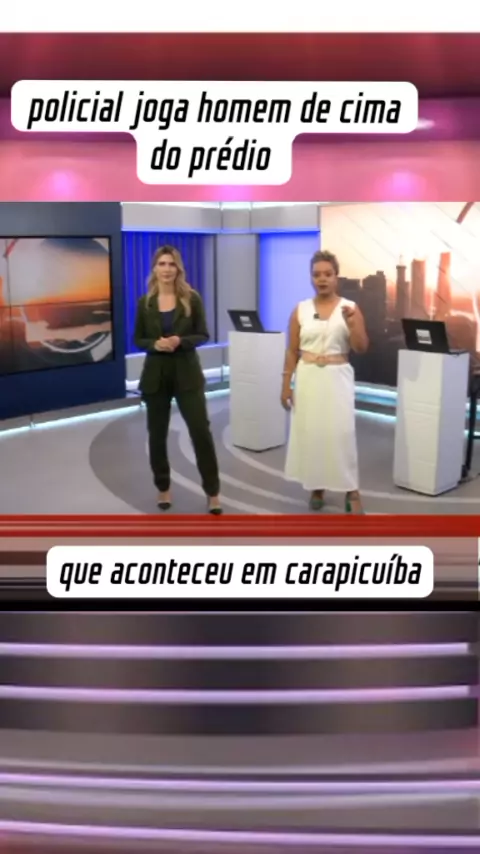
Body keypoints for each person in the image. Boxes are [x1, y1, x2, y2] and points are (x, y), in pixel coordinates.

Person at [134, 245, 222, 514]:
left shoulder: (191, 299)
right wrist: (154, 344)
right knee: (157, 435)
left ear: (178, 268)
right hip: (156, 377)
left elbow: (203, 334)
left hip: (187, 375)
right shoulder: (145, 303)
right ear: (154, 268)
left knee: (200, 432)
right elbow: (138, 339)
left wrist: (179, 341)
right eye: (162, 264)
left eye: (171, 264)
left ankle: (212, 492)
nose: (167, 269)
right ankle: (163, 487)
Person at [282, 250, 369, 514]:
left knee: (341, 434)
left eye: (327, 274)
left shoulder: (350, 308)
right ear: (311, 277)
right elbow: (292, 350)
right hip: (308, 377)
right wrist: (286, 384)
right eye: (317, 274)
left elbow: (361, 347)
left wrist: (352, 325)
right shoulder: (300, 310)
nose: (322, 279)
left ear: (336, 277)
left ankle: (351, 489)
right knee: (313, 433)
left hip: (337, 377)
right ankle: (317, 487)